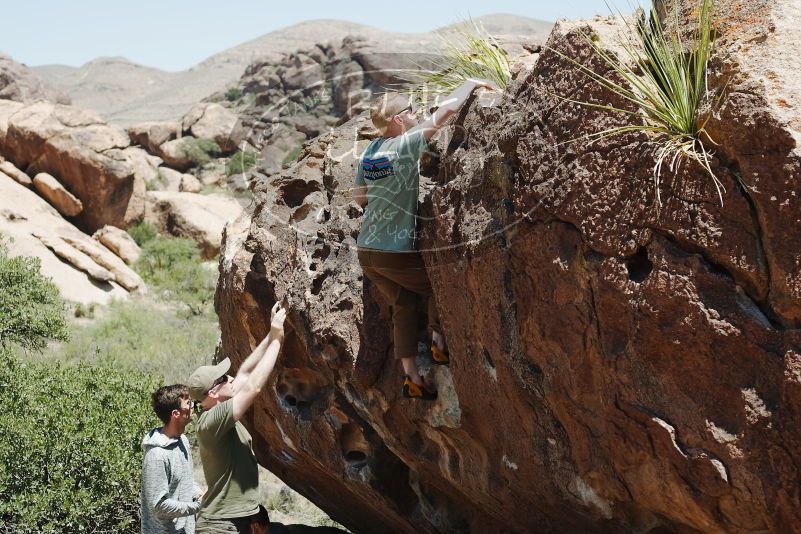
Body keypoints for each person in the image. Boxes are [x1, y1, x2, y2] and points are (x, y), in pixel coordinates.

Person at [353, 79, 497, 401]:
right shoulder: (405, 145)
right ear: (398, 120)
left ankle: (412, 379)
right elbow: (446, 111)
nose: (417, 113)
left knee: (403, 303)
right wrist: (470, 83)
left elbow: (359, 199)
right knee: (434, 286)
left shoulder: (370, 152)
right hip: (392, 251)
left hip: (367, 250)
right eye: (411, 110)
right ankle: (438, 344)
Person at [189, 302, 287, 534]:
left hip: (233, 522)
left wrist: (270, 333)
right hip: (220, 526)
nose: (231, 377)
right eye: (224, 378)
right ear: (212, 393)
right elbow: (253, 387)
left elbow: (244, 373)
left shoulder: (217, 408)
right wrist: (278, 341)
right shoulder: (212, 419)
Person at [141, 384, 204, 534]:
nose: (193, 406)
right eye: (188, 403)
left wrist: (198, 493)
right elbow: (158, 506)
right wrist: (196, 507)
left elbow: (184, 481)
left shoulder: (182, 441)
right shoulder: (157, 455)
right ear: (176, 414)